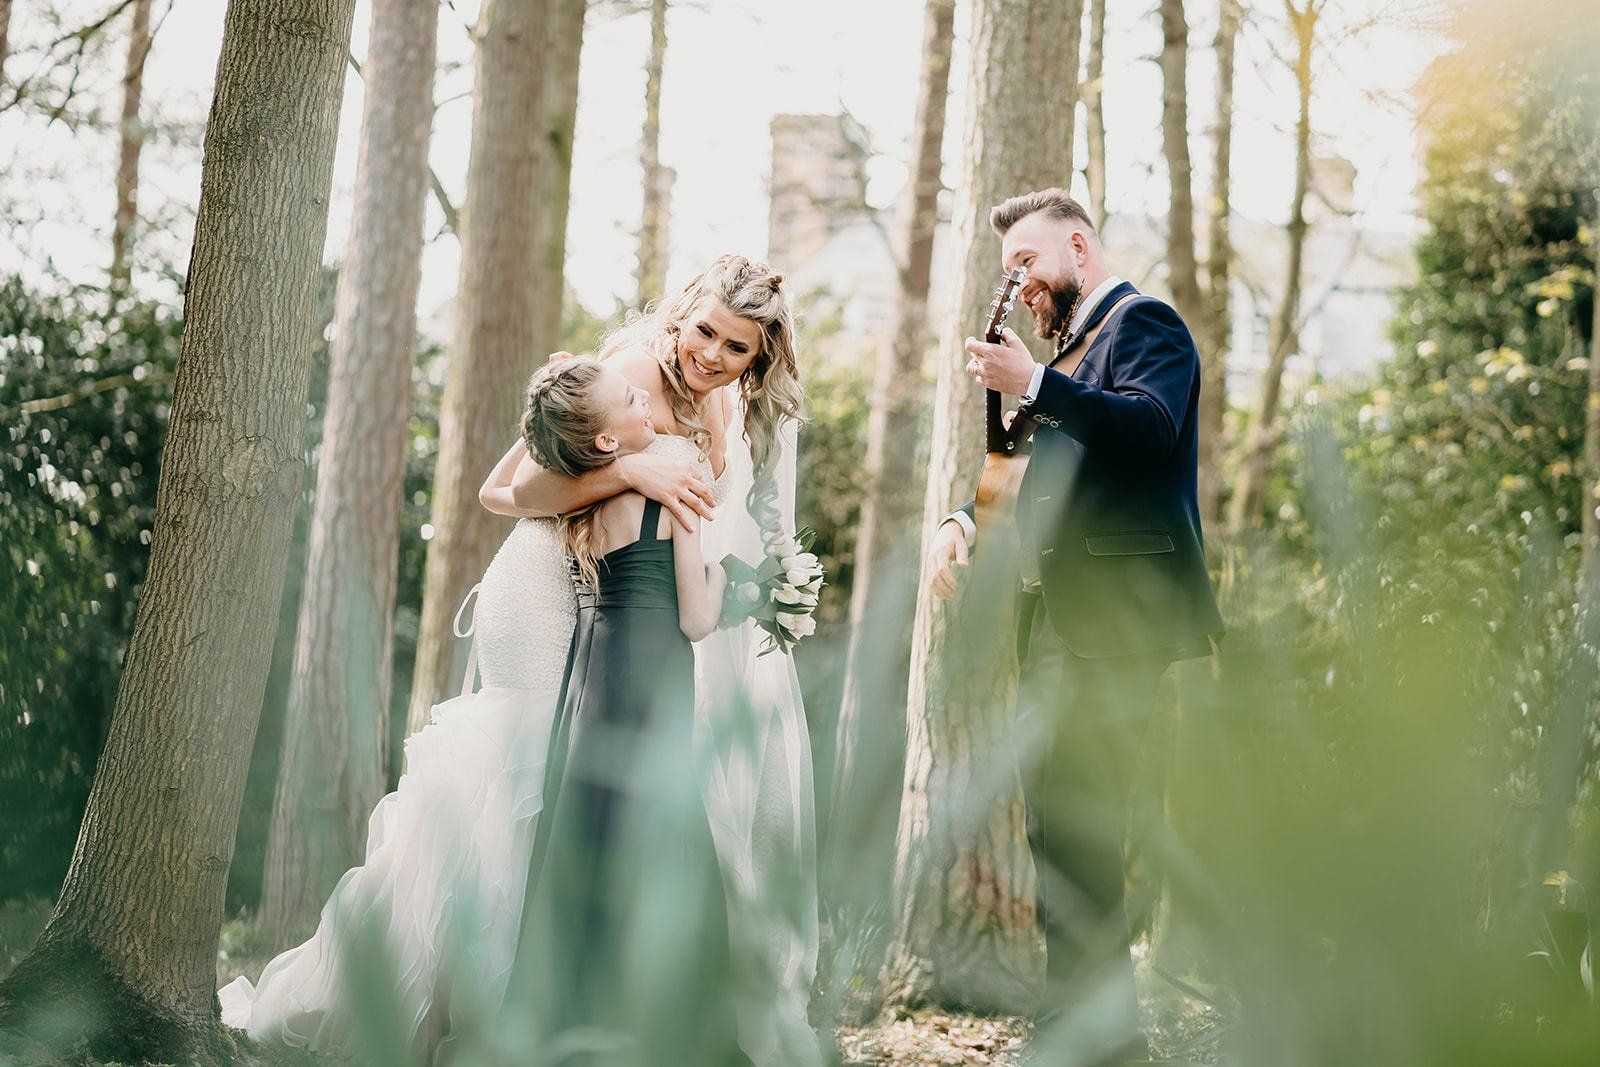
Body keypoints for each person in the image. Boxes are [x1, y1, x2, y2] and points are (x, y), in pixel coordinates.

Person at [483, 254, 821, 1067]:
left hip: (638, 610)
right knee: (543, 790)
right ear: (682, 313)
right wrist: (631, 467)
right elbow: (504, 489)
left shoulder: (723, 409)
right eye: (704, 330)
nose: (710, 355)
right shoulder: (632, 369)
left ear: (758, 358)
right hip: (556, 596)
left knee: (609, 796)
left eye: (736, 349)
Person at [928, 188, 1225, 1063]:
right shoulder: (1068, 356)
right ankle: (1086, 1030)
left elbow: (1149, 428)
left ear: (1079, 247)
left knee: (1088, 827)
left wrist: (1038, 383)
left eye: (1026, 261)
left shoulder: (1147, 325)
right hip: (1056, 627)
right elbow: (1011, 466)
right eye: (1008, 266)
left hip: (1118, 624)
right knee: (1055, 832)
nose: (1016, 281)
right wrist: (961, 522)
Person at [506, 355, 747, 1066]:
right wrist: (731, 575)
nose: (646, 392)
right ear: (607, 441)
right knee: (665, 838)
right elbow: (699, 619)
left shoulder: (578, 496)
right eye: (631, 396)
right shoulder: (675, 489)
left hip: (595, 676)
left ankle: (568, 1030)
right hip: (652, 676)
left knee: (592, 835)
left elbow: (508, 489)